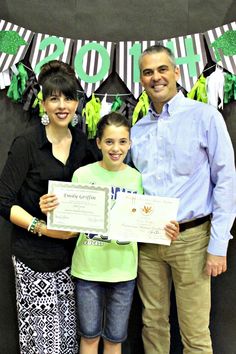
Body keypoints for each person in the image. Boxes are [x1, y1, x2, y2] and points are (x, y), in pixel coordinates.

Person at [130, 44, 236, 354]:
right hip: (148, 244)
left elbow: (226, 181)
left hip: (193, 240)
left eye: (162, 69)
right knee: (152, 326)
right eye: (148, 72)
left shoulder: (204, 117)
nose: (156, 77)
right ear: (141, 80)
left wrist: (218, 246)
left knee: (195, 333)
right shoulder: (137, 131)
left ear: (176, 72)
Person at [0, 60, 95, 354]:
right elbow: (4, 200)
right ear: (43, 103)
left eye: (68, 97)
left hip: (75, 262)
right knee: (42, 344)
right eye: (54, 98)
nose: (62, 105)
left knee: (68, 340)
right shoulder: (27, 143)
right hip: (34, 259)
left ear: (78, 102)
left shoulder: (84, 145)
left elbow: (96, 194)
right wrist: (40, 225)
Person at [62, 112, 178, 354]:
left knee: (115, 339)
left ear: (130, 143)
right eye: (109, 141)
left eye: (122, 141)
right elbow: (69, 222)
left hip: (123, 270)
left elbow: (149, 219)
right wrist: (55, 209)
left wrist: (165, 226)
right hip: (88, 268)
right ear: (99, 143)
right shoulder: (82, 175)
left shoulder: (138, 178)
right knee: (89, 336)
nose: (116, 148)